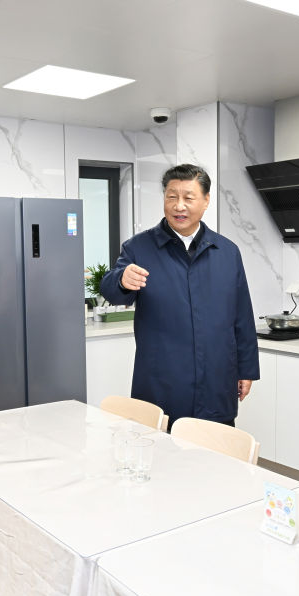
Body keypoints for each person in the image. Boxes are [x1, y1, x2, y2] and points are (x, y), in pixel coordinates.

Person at [101, 164, 259, 427]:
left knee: (215, 449)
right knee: (160, 446)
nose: (179, 206)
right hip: (160, 383)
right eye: (171, 197)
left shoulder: (227, 252)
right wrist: (121, 279)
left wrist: (247, 369)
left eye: (188, 197)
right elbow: (112, 292)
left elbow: (242, 316)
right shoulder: (139, 248)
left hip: (216, 381)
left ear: (206, 200)